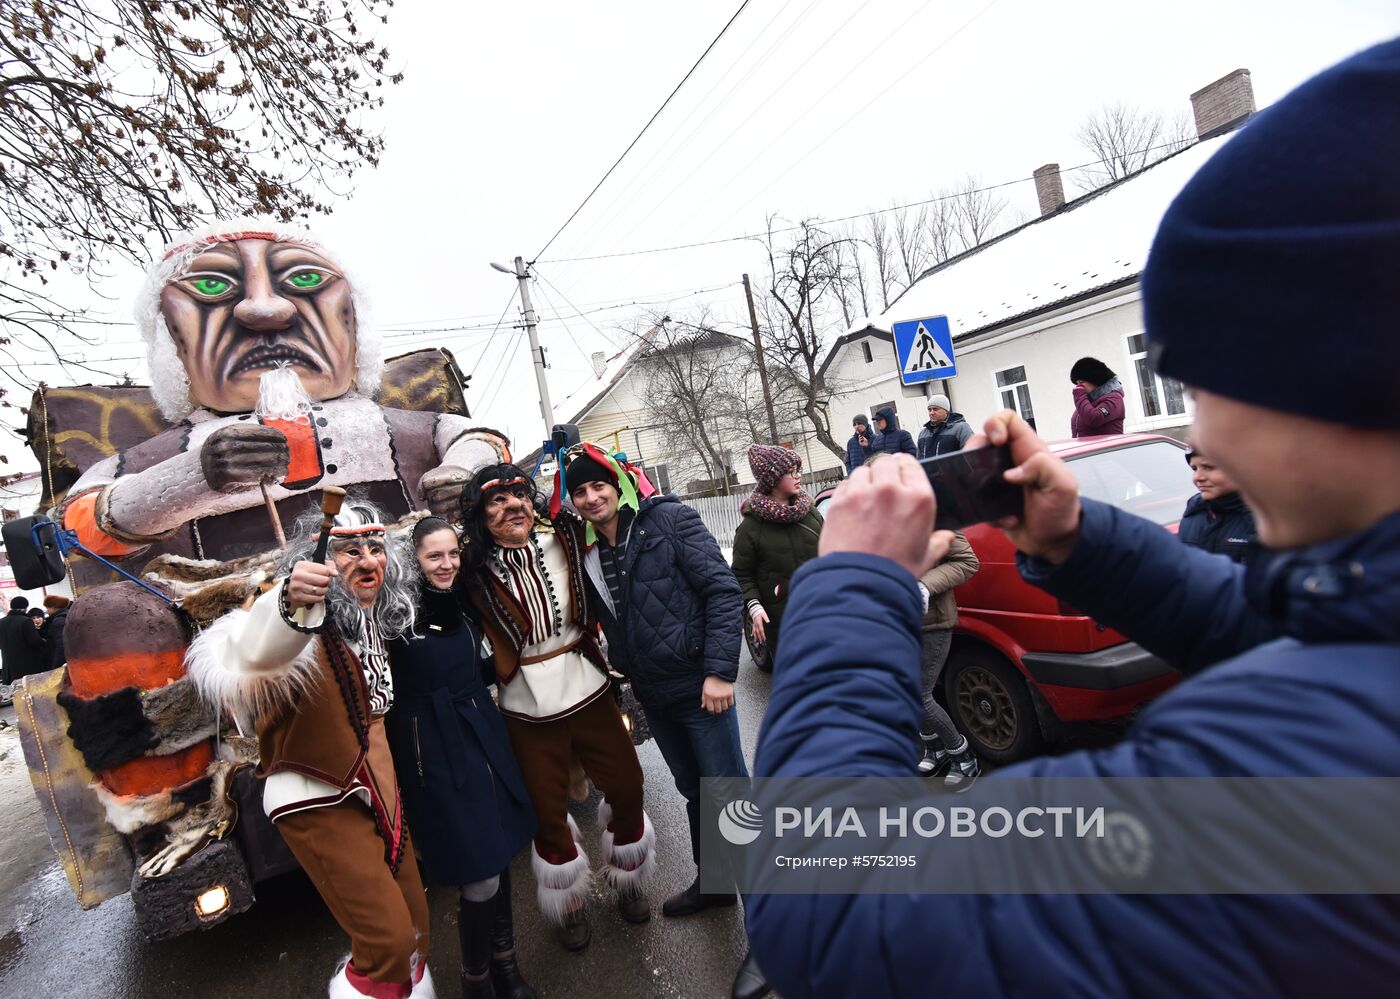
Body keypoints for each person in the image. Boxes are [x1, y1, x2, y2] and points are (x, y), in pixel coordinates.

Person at [746, 40, 1400, 996]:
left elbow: (837, 910)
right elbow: (1276, 628)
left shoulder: (1293, 776)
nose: (1200, 419)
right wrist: (1076, 539)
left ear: (1310, 373)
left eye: (1193, 371)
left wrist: (850, 584)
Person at [57, 221, 508, 571]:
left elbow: (481, 439)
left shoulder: (398, 426)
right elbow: (81, 525)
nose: (265, 309)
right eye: (212, 285)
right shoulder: (170, 452)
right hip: (244, 628)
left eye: (306, 279)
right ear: (167, 338)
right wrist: (192, 476)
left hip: (407, 587)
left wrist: (461, 472)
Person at [186, 501, 435, 999]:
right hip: (316, 793)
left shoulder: (374, 620)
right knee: (386, 942)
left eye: (375, 549)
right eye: (347, 551)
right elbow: (249, 653)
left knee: (417, 926)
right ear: (317, 562)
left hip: (378, 784)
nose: (367, 561)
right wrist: (288, 601)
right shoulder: (298, 621)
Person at [563, 443, 770, 999]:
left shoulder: (668, 520)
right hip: (655, 694)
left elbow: (723, 591)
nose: (591, 497)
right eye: (579, 491)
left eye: (598, 485)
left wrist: (722, 671)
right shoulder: (584, 552)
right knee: (695, 793)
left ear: (619, 484)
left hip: (703, 687)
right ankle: (719, 884)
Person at [458, 464, 655, 952]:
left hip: (586, 683)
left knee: (628, 784)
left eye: (519, 496)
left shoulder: (565, 536)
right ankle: (569, 905)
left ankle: (627, 880)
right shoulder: (471, 570)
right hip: (526, 704)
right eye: (496, 502)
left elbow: (613, 503)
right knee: (546, 811)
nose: (512, 508)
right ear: (480, 517)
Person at [384, 517, 537, 999]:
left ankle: (505, 964)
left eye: (452, 553)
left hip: (481, 731)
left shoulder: (468, 602)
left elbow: (472, 665)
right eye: (434, 556)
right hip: (432, 745)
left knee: (499, 850)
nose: (446, 564)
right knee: (480, 867)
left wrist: (518, 658)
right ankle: (476, 980)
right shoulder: (392, 616)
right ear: (415, 560)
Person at [731, 445, 823, 670]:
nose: (798, 475)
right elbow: (741, 575)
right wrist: (754, 605)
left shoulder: (810, 512)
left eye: (798, 469)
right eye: (791, 471)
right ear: (771, 479)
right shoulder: (751, 527)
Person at [913, 530, 979, 788]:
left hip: (933, 623)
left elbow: (967, 561)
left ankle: (963, 756)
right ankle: (934, 748)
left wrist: (925, 585)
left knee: (921, 695)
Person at [1179, 448, 1257, 562]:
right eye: (1194, 469)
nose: (1198, 477)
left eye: (1209, 467)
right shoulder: (1193, 513)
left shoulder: (1267, 517)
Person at [1069, 356, 1125, 437]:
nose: (1078, 387)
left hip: (1107, 449)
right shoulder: (1088, 401)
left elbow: (1094, 418)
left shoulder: (1114, 399)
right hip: (1090, 448)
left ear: (1095, 380)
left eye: (1081, 382)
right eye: (1077, 384)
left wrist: (1079, 396)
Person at [0, 595, 47, 685]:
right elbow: (35, 641)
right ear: (25, 607)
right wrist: (45, 641)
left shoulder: (1, 622)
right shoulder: (25, 621)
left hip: (8, 668)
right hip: (27, 668)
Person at [916, 394, 972, 459]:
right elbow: (919, 461)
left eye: (935, 409)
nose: (931, 413)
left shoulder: (961, 428)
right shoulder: (923, 434)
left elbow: (971, 455)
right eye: (929, 409)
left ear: (946, 411)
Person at [40, 595, 71, 671]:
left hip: (61, 662)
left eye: (47, 608)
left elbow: (61, 644)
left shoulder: (58, 620)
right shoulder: (68, 616)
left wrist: (57, 666)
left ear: (53, 607)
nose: (47, 611)